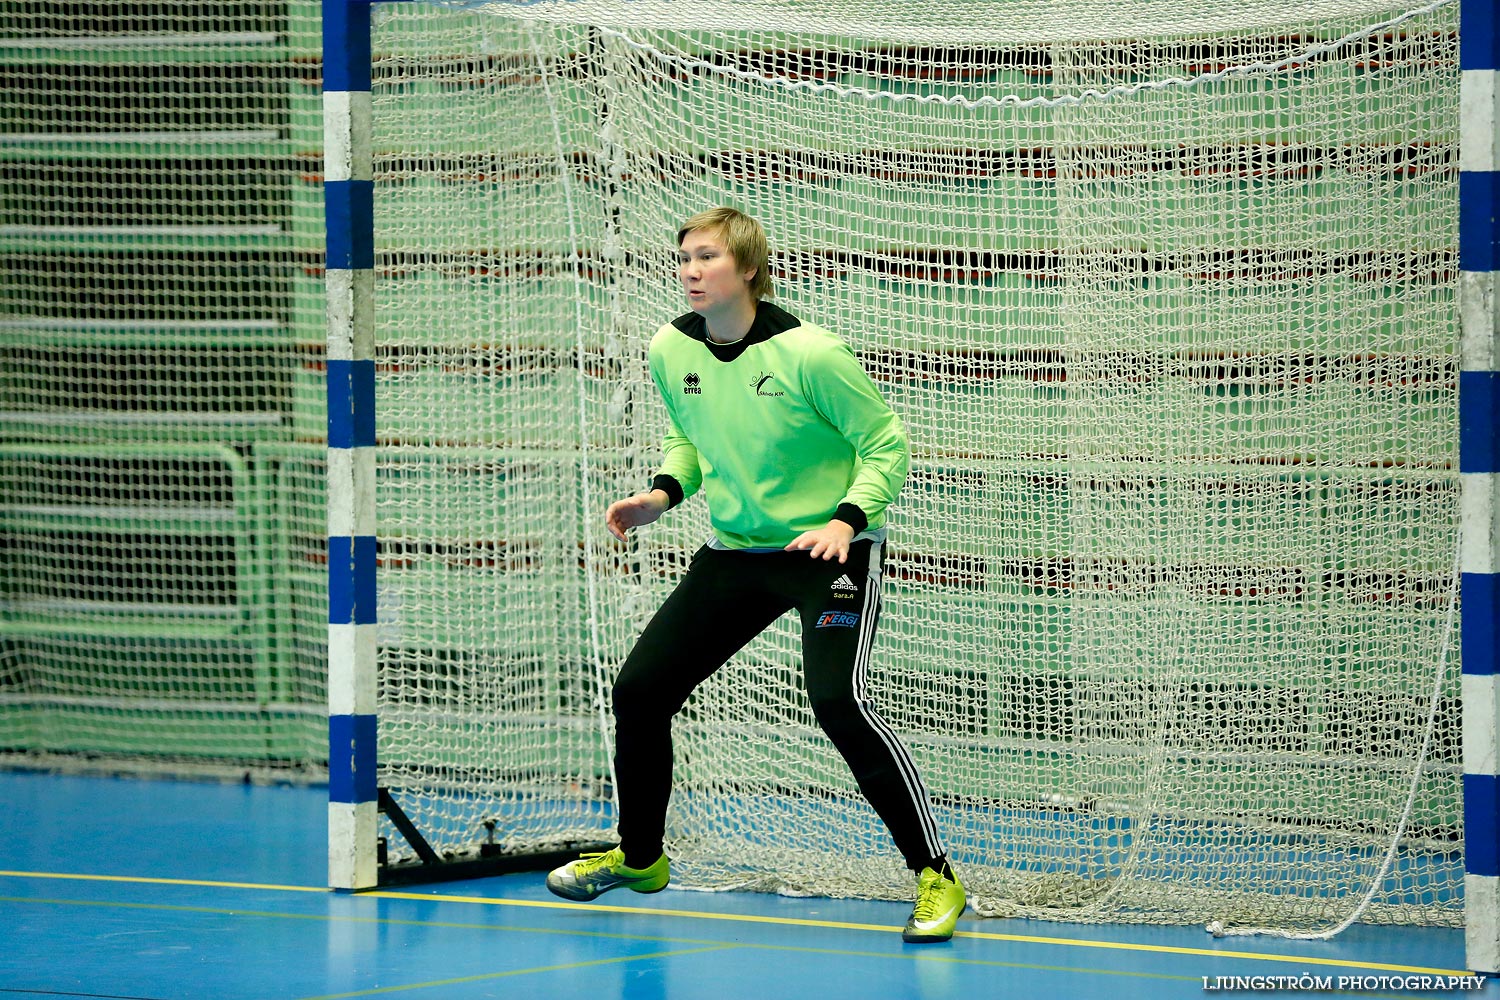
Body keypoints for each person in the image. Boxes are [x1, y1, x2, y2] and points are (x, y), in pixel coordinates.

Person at [545, 207, 965, 943]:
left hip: (826, 555)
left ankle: (936, 875)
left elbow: (886, 444)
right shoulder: (671, 348)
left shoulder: (811, 353)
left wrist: (845, 519)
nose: (689, 271)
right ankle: (641, 858)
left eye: (706, 257)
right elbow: (689, 438)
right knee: (641, 691)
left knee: (838, 701)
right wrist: (659, 497)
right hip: (737, 554)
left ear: (747, 270)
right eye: (683, 258)